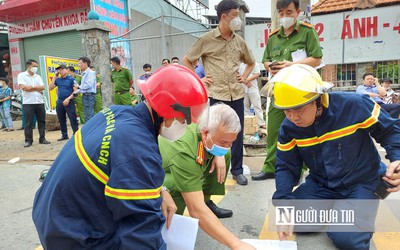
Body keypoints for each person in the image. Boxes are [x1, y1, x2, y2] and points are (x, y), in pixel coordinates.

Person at [32, 65, 209, 249]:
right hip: (74, 237)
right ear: (167, 110)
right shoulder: (139, 149)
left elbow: (122, 168)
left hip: (52, 214)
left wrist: (160, 190)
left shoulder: (116, 112)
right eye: (183, 120)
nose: (184, 126)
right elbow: (142, 237)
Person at [269, 64, 400, 250]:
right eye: (286, 111)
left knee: (347, 240)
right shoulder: (289, 128)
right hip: (322, 185)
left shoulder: (353, 105)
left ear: (318, 99)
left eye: (298, 110)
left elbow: (389, 129)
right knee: (290, 220)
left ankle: (348, 213)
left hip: (361, 182)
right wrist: (283, 205)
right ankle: (339, 211)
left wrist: (397, 158)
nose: (292, 117)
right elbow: (285, 167)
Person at [159, 103, 255, 249]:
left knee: (224, 155)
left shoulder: (204, 124)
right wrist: (237, 244)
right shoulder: (184, 149)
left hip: (190, 155)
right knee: (175, 188)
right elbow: (195, 209)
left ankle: (206, 201)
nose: (226, 146)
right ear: (205, 133)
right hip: (155, 177)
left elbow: (220, 146)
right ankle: (167, 228)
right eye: (223, 142)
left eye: (231, 142)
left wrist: (220, 153)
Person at [183, 0, 256, 185]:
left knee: (236, 133)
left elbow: (251, 62)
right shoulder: (206, 39)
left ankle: (237, 170)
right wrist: (198, 80)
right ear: (223, 17)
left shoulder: (239, 42)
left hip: (236, 94)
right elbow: (187, 60)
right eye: (234, 15)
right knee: (213, 133)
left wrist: (244, 77)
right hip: (215, 94)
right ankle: (210, 171)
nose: (238, 19)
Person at [252, 0, 323, 181]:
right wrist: (272, 67)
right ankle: (270, 167)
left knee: (302, 129)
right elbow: (266, 60)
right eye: (281, 13)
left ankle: (298, 170)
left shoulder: (307, 32)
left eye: (289, 12)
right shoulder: (274, 37)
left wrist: (292, 65)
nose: (285, 17)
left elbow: (316, 59)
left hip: (301, 91)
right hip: (279, 90)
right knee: (274, 130)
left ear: (297, 12)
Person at [17, 59, 50, 147]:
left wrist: (31, 87)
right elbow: (24, 88)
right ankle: (28, 140)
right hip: (28, 102)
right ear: (29, 66)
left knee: (42, 121)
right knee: (29, 122)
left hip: (39, 101)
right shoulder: (22, 75)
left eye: (36, 66)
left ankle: (42, 138)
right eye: (34, 66)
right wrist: (36, 88)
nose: (36, 68)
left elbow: (43, 87)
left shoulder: (37, 76)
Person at [49, 65, 79, 141]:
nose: (60, 71)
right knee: (61, 118)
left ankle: (76, 133)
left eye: (62, 69)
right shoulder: (58, 80)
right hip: (60, 101)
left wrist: (68, 99)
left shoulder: (72, 79)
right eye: (59, 70)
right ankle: (64, 134)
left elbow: (76, 91)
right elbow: (50, 88)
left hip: (69, 100)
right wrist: (54, 77)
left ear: (66, 70)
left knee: (72, 117)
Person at [239, 62, 266, 128]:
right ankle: (248, 124)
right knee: (245, 107)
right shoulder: (240, 64)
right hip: (243, 89)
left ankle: (261, 123)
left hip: (253, 89)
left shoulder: (255, 63)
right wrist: (245, 82)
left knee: (257, 106)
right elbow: (238, 75)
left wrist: (247, 80)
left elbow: (257, 74)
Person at [76, 56, 96, 122]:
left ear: (86, 63)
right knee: (87, 115)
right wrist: (78, 91)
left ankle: (91, 131)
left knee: (89, 116)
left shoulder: (90, 73)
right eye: (78, 63)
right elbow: (84, 87)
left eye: (80, 63)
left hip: (89, 96)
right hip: (85, 95)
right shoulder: (84, 73)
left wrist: (79, 87)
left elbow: (89, 85)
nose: (79, 65)